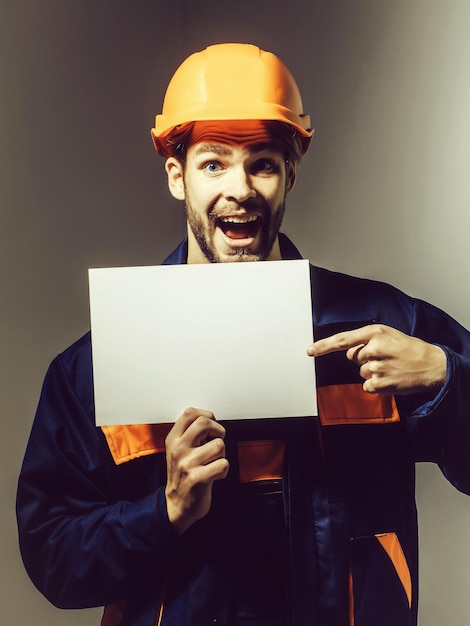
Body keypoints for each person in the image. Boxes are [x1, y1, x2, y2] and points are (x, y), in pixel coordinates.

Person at [16, 43, 470, 626]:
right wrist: (166, 511)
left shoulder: (383, 324)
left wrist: (446, 379)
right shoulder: (95, 367)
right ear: (177, 177)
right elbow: (53, 559)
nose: (240, 188)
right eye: (213, 164)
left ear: (290, 174)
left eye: (262, 162)